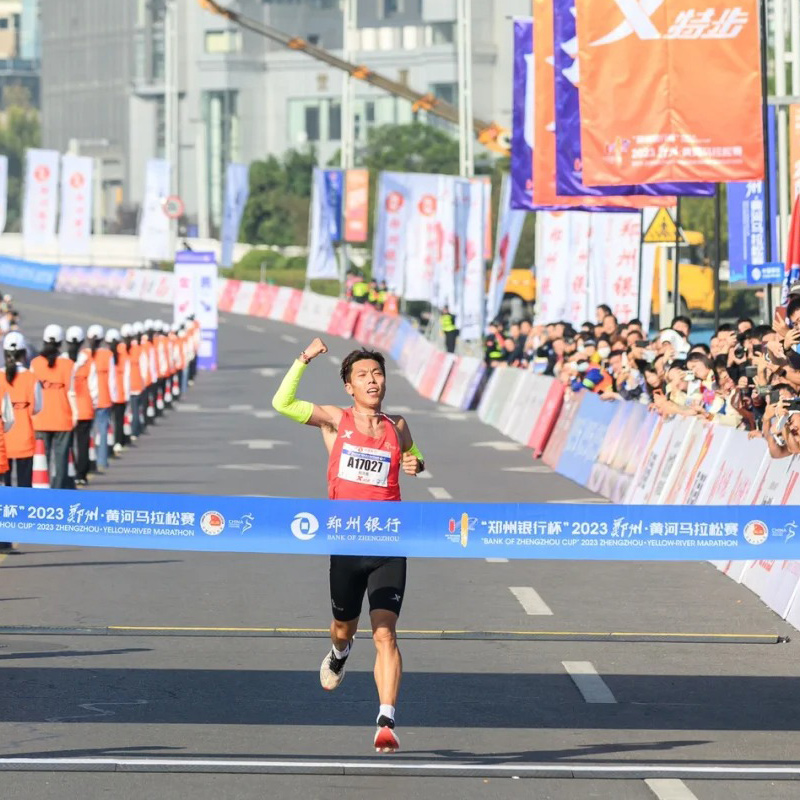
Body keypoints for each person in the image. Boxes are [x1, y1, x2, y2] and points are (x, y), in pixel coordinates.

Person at [271, 338, 425, 753]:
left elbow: (414, 456)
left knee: (385, 634)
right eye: (363, 376)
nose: (372, 381)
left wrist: (416, 463)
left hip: (390, 541)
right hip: (346, 540)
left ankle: (386, 720)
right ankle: (339, 652)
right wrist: (304, 358)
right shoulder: (334, 421)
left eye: (377, 374)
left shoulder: (398, 426)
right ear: (349, 387)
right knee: (344, 626)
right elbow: (282, 403)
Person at [31, 324, 74, 489]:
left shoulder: (35, 363)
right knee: (61, 458)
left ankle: (42, 490)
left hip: (40, 419)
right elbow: (72, 393)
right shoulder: (68, 364)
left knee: (42, 458)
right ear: (61, 342)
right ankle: (59, 490)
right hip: (63, 418)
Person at [0, 331, 32, 487]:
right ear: (24, 353)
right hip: (24, 438)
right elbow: (38, 407)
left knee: (5, 488)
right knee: (25, 485)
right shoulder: (30, 377)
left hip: (3, 442)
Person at [65, 326, 96, 486]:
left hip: (67, 409)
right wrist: (94, 405)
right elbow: (94, 388)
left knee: (67, 444)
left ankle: (68, 472)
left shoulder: (62, 362)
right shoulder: (89, 362)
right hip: (84, 408)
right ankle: (81, 474)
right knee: (83, 443)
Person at [88, 324, 115, 471]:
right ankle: (102, 460)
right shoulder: (107, 355)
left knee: (89, 432)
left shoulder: (84, 355)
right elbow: (112, 379)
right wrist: (113, 396)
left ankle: (90, 459)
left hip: (87, 400)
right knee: (103, 430)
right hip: (104, 398)